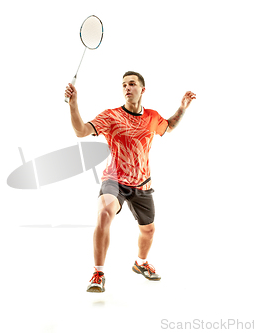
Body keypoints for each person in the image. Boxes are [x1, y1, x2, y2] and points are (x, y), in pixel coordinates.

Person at [64, 71, 196, 292]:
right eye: (124, 84)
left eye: (132, 84)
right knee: (104, 213)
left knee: (149, 231)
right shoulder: (111, 116)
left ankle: (141, 263)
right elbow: (81, 131)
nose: (127, 88)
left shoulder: (152, 117)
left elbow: (169, 126)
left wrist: (182, 108)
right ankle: (98, 273)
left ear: (142, 90)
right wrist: (73, 105)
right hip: (114, 179)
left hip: (142, 183)